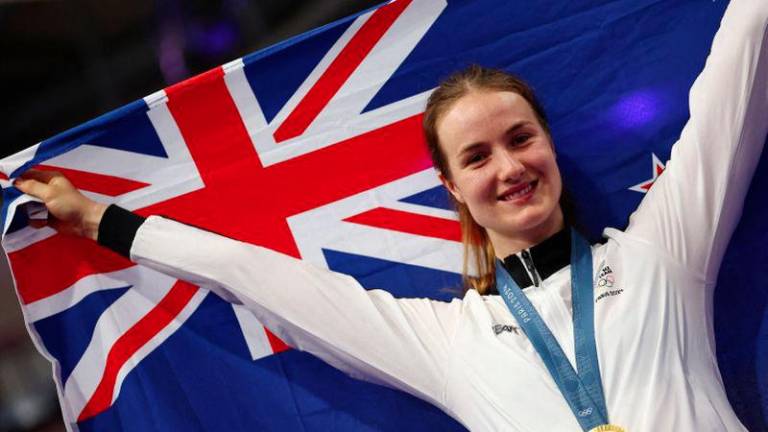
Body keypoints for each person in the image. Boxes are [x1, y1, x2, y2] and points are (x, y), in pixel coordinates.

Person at [13, 0, 768, 430]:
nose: (508, 168)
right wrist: (107, 223)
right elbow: (257, 276)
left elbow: (737, 70)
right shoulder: (443, 340)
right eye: (477, 158)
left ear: (550, 146)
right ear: (451, 187)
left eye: (520, 138)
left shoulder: (661, 253)